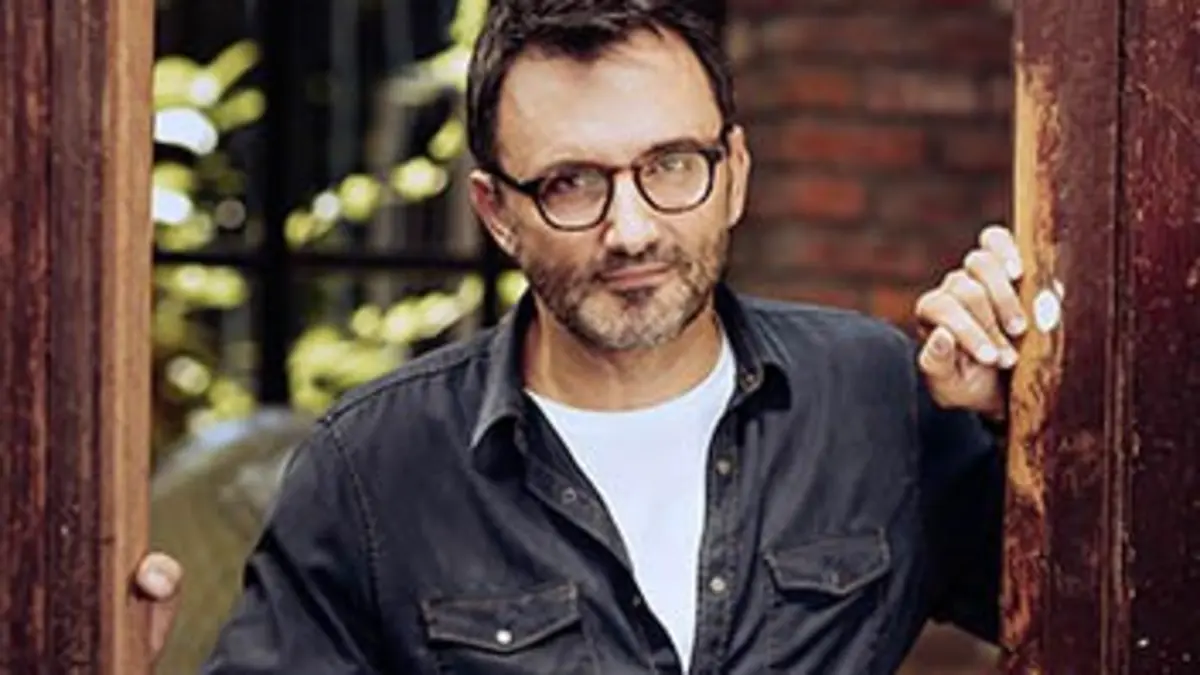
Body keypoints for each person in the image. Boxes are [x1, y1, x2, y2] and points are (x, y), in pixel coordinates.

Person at [136, 1, 1031, 672]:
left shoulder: (877, 396)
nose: (631, 229)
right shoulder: (372, 466)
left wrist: (1027, 421)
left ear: (734, 172)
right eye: (571, 183)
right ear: (496, 212)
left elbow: (1078, 606)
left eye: (671, 165)